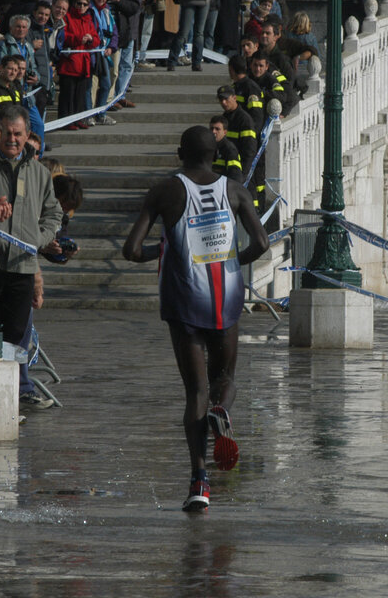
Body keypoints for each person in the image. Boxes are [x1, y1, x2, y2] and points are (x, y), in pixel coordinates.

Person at [122, 126, 269, 511]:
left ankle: (199, 481)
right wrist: (232, 262)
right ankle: (222, 409)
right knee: (226, 382)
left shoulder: (165, 191)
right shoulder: (234, 190)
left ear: (178, 154)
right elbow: (262, 243)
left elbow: (130, 249)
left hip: (184, 300)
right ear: (216, 156)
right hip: (228, 297)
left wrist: (163, 249)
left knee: (195, 393)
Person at [0, 107, 62, 409]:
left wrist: (37, 241)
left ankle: (13, 398)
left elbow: (54, 213)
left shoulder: (39, 172)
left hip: (22, 267)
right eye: (8, 133)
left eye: (18, 133)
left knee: (16, 337)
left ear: (28, 135)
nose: (12, 139)